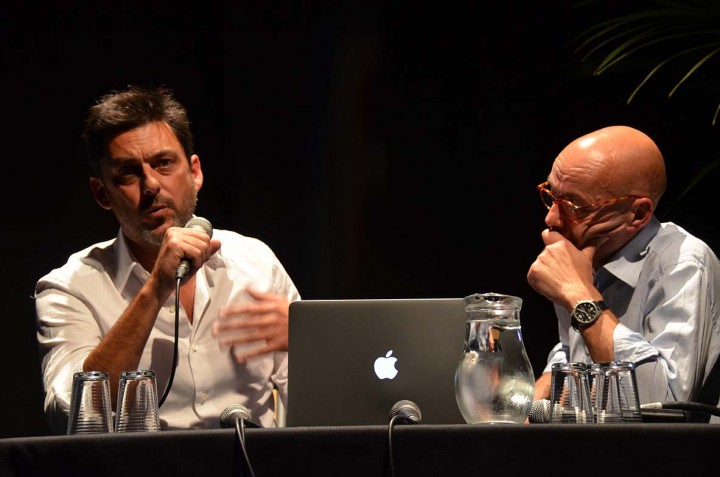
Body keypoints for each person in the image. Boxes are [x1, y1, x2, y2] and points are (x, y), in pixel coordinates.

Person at [34, 85, 300, 433]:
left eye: (163, 163)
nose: (151, 185)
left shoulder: (255, 261)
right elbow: (70, 414)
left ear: (195, 172)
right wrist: (155, 288)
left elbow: (314, 402)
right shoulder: (68, 288)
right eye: (128, 173)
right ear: (103, 194)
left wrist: (309, 343)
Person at [527, 125, 720, 422]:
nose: (551, 218)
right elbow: (575, 353)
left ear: (638, 214)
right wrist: (536, 392)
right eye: (551, 196)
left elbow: (661, 408)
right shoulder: (587, 254)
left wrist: (580, 296)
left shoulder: (682, 263)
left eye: (574, 206)